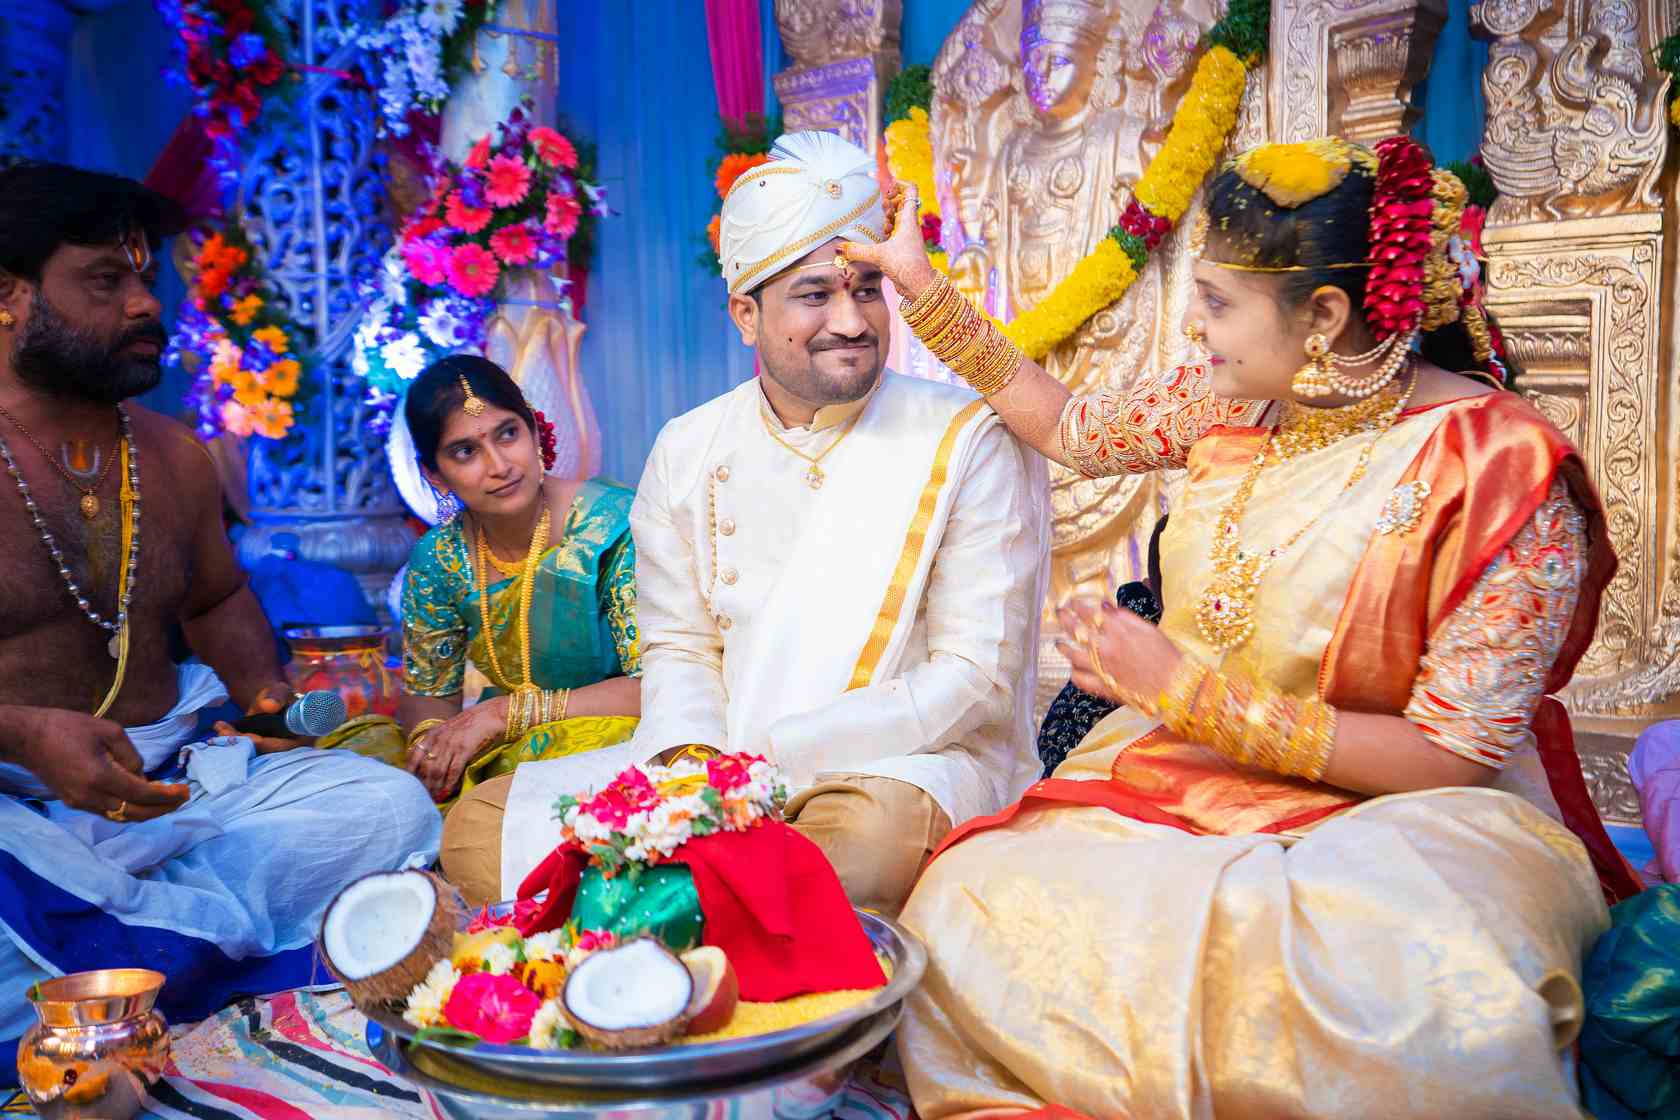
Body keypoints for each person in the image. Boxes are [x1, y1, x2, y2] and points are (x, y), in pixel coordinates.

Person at [841, 136, 1642, 1117]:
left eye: (1219, 303)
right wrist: (922, 287)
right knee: (960, 907)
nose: (1197, 327)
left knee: (1414, 993)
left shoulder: (1502, 467)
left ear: (1326, 316)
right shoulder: (1238, 403)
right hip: (1183, 773)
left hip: (1410, 815)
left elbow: (1451, 756)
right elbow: (1069, 426)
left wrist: (1183, 690)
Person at [445, 130, 1048, 918]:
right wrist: (695, 766)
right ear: (745, 314)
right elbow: (681, 645)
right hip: (715, 752)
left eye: (867, 289)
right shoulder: (691, 448)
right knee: (478, 831)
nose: (853, 320)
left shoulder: (963, 437)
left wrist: (770, 758)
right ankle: (719, 912)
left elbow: (972, 678)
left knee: (863, 843)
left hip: (899, 763)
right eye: (814, 295)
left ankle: (653, 921)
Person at [0, 162, 440, 1080]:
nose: (143, 305)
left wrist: (265, 693)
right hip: (13, 806)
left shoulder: (173, 456)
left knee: (386, 806)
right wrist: (27, 735)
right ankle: (160, 937)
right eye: (105, 280)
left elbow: (213, 599)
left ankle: (121, 946)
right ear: (8, 298)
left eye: (145, 278)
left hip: (174, 785)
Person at [378, 357, 643, 903]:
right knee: (371, 778)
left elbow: (658, 684)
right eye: (465, 452)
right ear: (433, 473)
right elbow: (429, 696)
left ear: (535, 431)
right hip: (501, 747)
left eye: (507, 434)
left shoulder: (612, 527)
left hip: (620, 732)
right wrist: (435, 750)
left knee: (488, 826)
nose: (499, 465)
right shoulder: (440, 560)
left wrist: (503, 714)